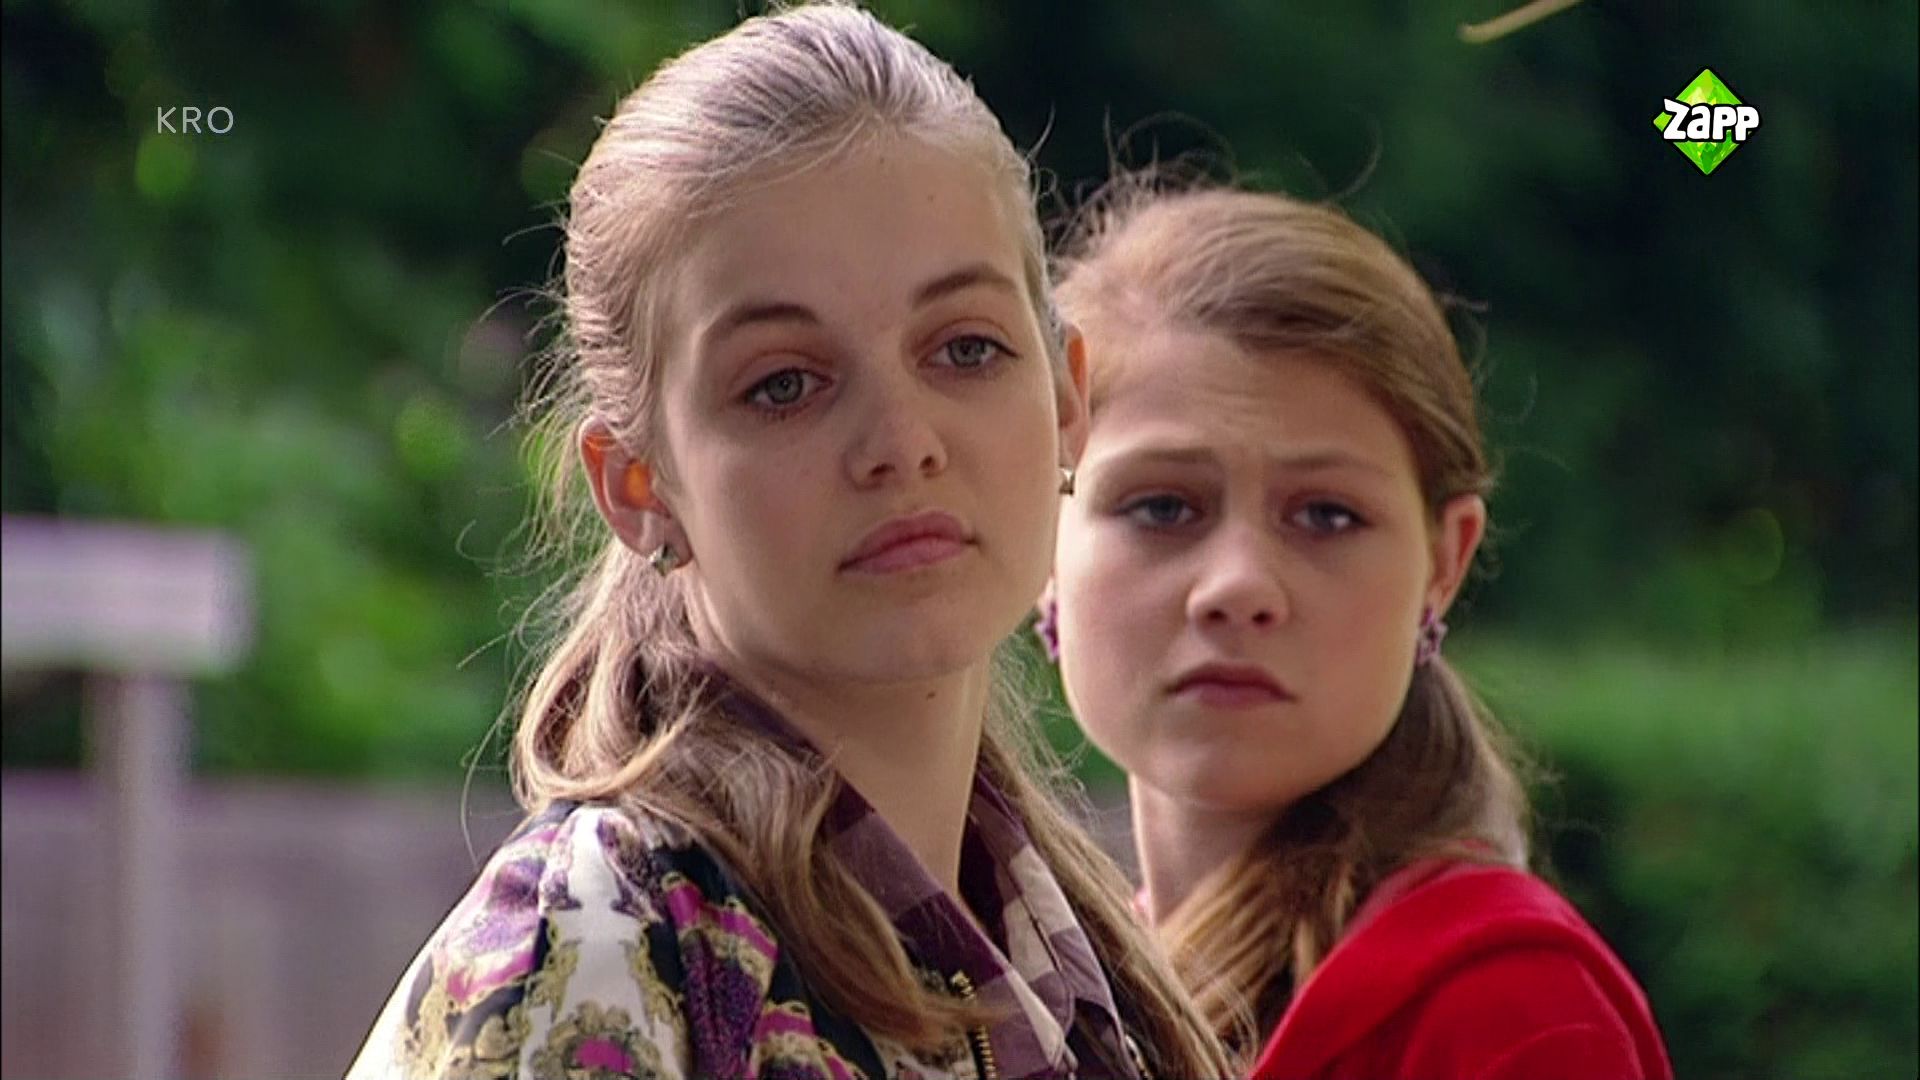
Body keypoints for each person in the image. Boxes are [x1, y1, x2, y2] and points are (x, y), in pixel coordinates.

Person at [347, 7, 1231, 1079]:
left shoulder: (1094, 984)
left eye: (964, 348)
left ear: (1066, 401)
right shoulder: (592, 956)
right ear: (637, 485)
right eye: (783, 384)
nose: (901, 443)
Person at [1041, 183, 1674, 1080]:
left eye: (1327, 516)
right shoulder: (1032, 994)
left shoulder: (1515, 1014)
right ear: (1041, 538)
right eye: (1163, 506)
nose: (1237, 587)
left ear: (1444, 564)